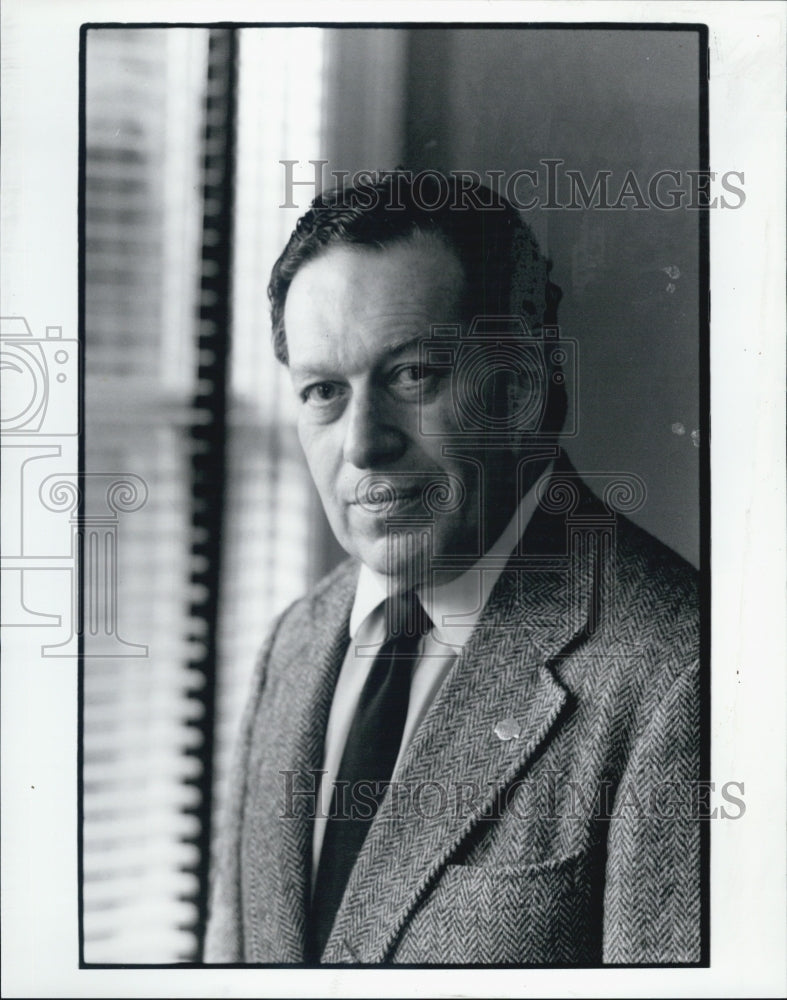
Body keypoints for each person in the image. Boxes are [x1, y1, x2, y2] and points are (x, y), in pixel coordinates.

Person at [204, 172, 701, 965]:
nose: (363, 443)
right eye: (324, 391)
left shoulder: (677, 675)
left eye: (413, 375)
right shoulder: (293, 646)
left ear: (527, 376)